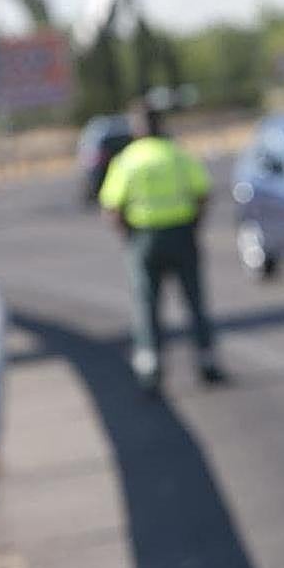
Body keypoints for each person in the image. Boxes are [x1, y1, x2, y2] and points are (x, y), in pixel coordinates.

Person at [99, 101, 220, 390]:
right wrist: (193, 226)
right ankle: (207, 361)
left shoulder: (127, 160)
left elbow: (112, 207)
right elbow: (203, 192)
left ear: (137, 128)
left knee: (146, 306)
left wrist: (128, 237)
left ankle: (150, 368)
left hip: (143, 239)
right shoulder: (177, 155)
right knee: (194, 301)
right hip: (181, 235)